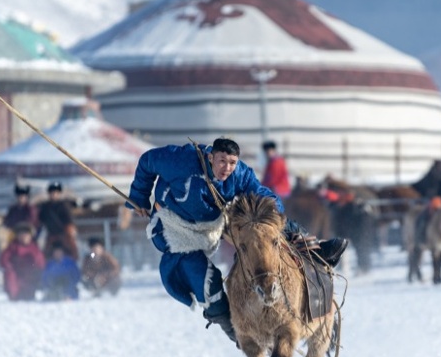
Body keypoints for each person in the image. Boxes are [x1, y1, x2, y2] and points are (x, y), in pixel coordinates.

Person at [126, 137, 347, 344]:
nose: (227, 168)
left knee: (262, 215)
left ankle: (315, 251)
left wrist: (273, 211)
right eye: (222, 161)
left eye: (232, 162)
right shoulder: (180, 160)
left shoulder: (239, 173)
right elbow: (148, 161)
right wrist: (139, 196)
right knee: (203, 279)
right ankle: (237, 332)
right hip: (175, 227)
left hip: (213, 224)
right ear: (211, 157)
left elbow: (261, 192)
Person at [0, 222, 45, 301]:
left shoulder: (34, 248)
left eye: (26, 235)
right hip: (15, 272)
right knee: (10, 275)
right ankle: (14, 295)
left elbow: (40, 262)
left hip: (29, 273)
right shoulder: (13, 246)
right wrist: (9, 266)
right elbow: (4, 259)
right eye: (21, 235)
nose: (23, 237)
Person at [37, 182, 78, 260]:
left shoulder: (64, 205)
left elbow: (69, 221)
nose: (54, 194)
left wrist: (70, 233)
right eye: (52, 193)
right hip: (51, 234)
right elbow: (41, 220)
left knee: (71, 250)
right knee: (47, 253)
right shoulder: (45, 206)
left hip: (64, 234)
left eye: (56, 192)